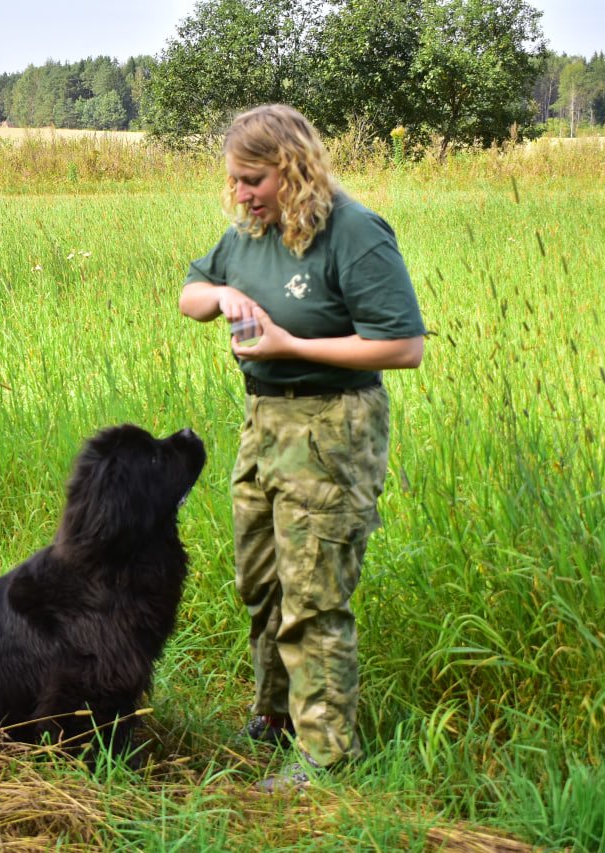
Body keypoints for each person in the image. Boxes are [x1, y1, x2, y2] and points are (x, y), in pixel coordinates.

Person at [178, 104, 426, 790]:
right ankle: (275, 716)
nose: (240, 193)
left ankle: (324, 754)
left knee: (313, 592)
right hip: (263, 424)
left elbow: (403, 346)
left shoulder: (355, 232)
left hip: (333, 425)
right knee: (259, 581)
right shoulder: (248, 232)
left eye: (252, 179)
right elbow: (188, 294)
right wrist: (222, 293)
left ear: (292, 168)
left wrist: (291, 345)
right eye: (233, 180)